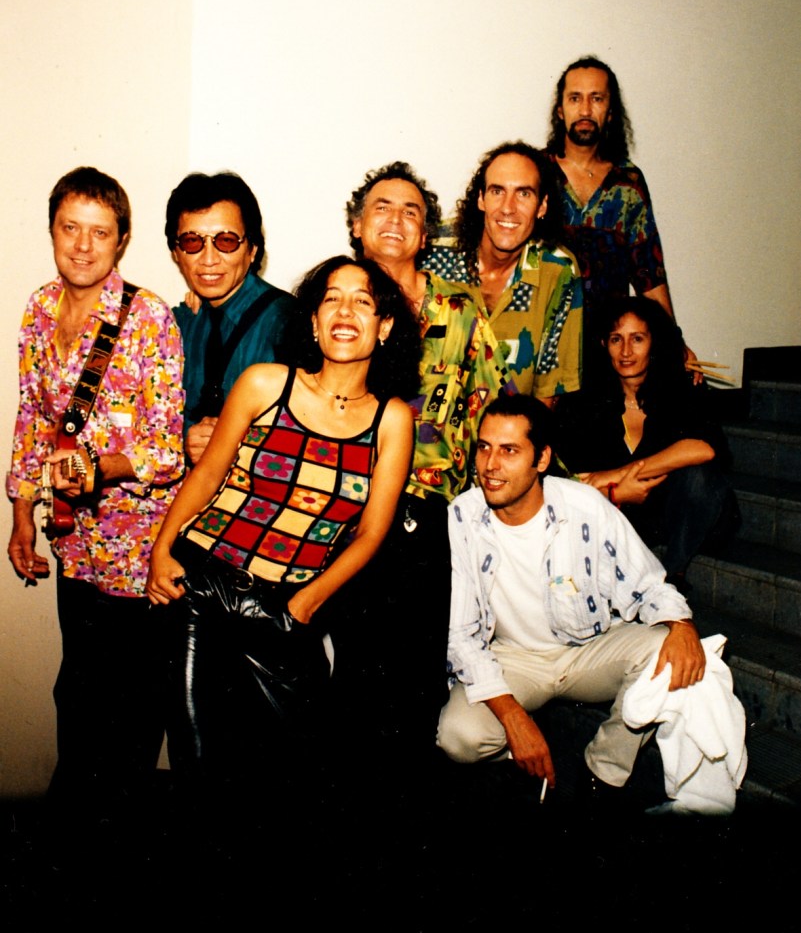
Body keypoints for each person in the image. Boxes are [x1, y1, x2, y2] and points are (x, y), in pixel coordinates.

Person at [146, 255, 417, 808]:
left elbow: (370, 534)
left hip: (283, 609)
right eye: (331, 299)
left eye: (363, 302)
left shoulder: (392, 420)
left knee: (297, 779)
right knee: (201, 769)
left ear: (384, 327)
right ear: (313, 322)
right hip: (201, 587)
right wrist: (160, 550)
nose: (345, 312)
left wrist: (304, 606)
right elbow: (207, 475)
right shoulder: (264, 383)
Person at [6, 166, 185, 823]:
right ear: (53, 230)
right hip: (73, 539)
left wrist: (100, 465)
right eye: (69, 228)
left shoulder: (148, 318)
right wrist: (23, 515)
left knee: (132, 708)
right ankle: (74, 830)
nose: (82, 245)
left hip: (139, 552)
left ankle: (120, 843)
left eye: (99, 232)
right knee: (75, 688)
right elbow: (30, 419)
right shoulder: (36, 309)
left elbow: (166, 450)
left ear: (123, 239)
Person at [437, 393, 706, 800]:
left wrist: (682, 625)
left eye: (509, 450)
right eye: (485, 447)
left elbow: (648, 582)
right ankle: (522, 758)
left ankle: (604, 772)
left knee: (666, 652)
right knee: (457, 736)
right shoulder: (463, 514)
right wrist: (513, 718)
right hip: (515, 659)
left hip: (587, 649)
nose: (491, 465)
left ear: (541, 459)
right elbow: (461, 635)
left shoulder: (583, 505)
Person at [342, 161, 514, 760]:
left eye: (412, 211)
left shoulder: (462, 310)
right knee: (358, 673)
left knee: (422, 673)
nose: (397, 220)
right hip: (352, 513)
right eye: (382, 208)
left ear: (425, 233)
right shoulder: (341, 305)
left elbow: (499, 402)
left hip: (438, 516)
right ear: (358, 226)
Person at [554, 297, 738, 591]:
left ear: (654, 343)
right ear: (604, 344)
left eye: (637, 339)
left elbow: (704, 448)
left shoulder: (681, 388)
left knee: (700, 477)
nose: (626, 351)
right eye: (616, 339)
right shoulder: (586, 402)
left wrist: (618, 473)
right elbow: (578, 481)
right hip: (627, 515)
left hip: (680, 511)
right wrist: (616, 489)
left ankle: (670, 577)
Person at [546, 56, 698, 378]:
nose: (585, 110)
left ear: (610, 112)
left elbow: (649, 273)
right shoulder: (536, 174)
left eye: (596, 98)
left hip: (608, 351)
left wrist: (674, 342)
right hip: (544, 346)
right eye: (575, 98)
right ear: (560, 110)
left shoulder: (627, 183)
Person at [426, 141, 582, 405]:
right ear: (481, 198)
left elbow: (547, 392)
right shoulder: (434, 251)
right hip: (427, 436)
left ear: (542, 206)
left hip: (505, 438)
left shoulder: (558, 270)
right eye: (497, 191)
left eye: (524, 194)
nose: (508, 207)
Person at [166, 171, 296, 464]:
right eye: (192, 242)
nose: (209, 258)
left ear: (252, 249)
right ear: (176, 252)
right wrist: (187, 436)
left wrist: (238, 439)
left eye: (226, 241)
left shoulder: (288, 321)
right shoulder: (174, 325)